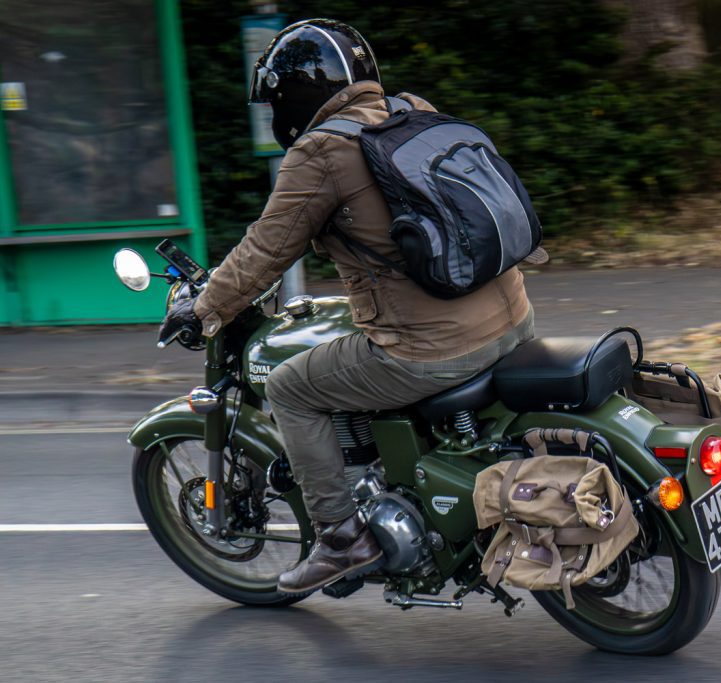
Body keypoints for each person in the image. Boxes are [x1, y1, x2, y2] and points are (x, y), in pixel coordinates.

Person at [159, 19, 536, 595]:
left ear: (293, 96)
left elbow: (266, 248)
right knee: (345, 342)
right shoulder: (410, 109)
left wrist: (204, 308)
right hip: (512, 316)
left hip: (434, 347)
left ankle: (340, 537)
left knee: (291, 386)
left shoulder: (322, 152)